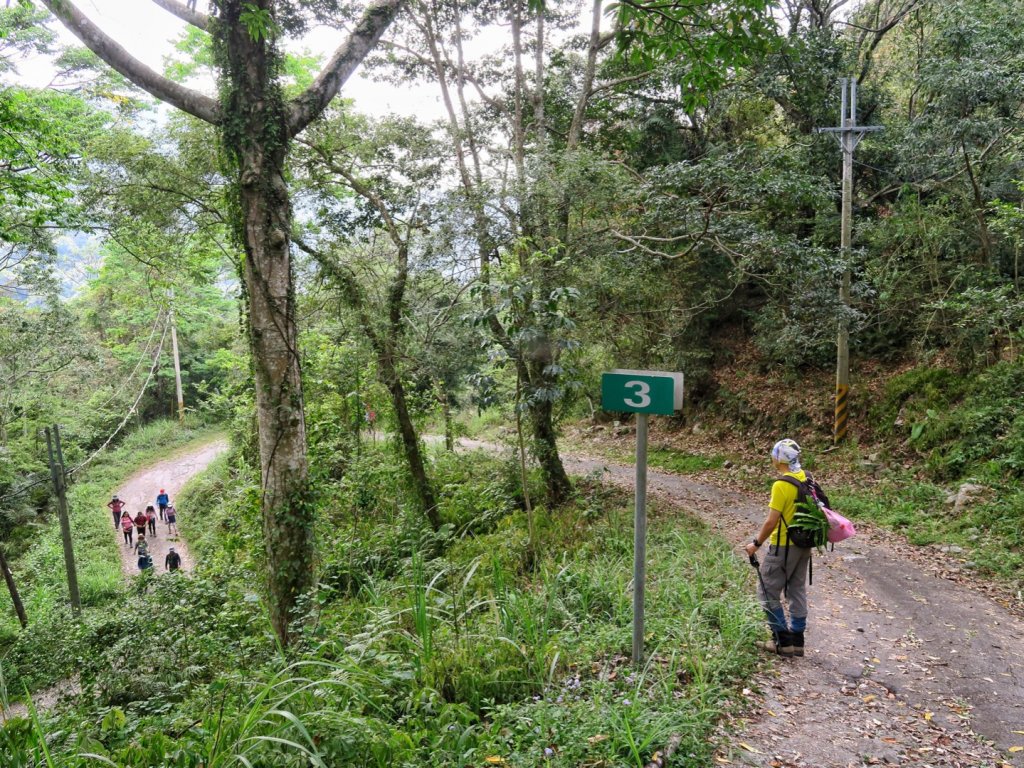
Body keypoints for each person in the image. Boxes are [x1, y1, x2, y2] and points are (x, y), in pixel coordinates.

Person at [744, 438, 814, 659]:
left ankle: (782, 642)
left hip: (783, 547)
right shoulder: (806, 477)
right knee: (796, 590)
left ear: (779, 458)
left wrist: (755, 544)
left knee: (766, 592)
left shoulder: (781, 485)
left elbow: (771, 522)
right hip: (804, 546)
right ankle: (797, 642)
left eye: (774, 454)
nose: (772, 458)